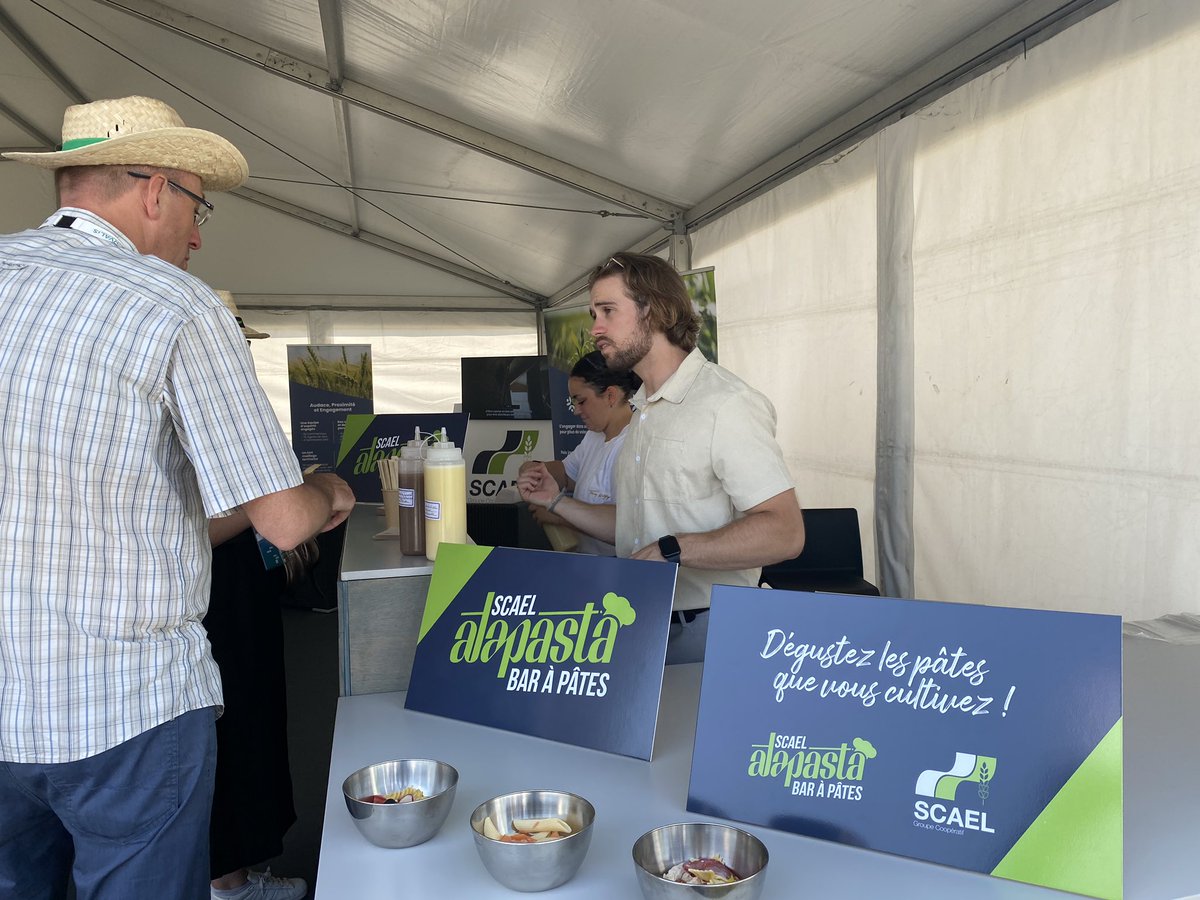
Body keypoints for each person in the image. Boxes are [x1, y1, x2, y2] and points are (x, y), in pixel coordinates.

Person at [0, 96, 356, 900]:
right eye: (200, 207)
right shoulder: (172, 305)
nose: (197, 234)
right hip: (122, 711)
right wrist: (330, 488)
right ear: (154, 190)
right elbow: (282, 518)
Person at [520, 252, 804, 663]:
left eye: (608, 311)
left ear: (653, 310)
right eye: (593, 314)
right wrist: (555, 500)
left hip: (706, 628)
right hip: (641, 618)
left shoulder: (726, 403)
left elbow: (786, 532)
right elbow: (633, 526)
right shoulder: (643, 410)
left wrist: (674, 549)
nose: (595, 329)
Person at [204, 294, 306, 900]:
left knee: (255, 717)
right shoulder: (195, 407)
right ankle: (230, 880)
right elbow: (204, 519)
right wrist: (281, 510)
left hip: (241, 587)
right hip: (212, 596)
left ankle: (241, 868)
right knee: (233, 724)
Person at [517, 350, 640, 555]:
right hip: (589, 570)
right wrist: (533, 469)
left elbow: (627, 524)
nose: (575, 410)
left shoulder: (636, 443)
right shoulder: (595, 436)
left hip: (621, 575)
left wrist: (559, 512)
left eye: (581, 401)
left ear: (611, 395)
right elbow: (566, 473)